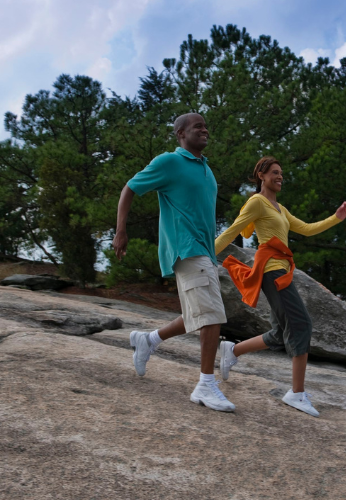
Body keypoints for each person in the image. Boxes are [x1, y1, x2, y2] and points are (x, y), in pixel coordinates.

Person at [112, 113, 235, 413]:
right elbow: (129, 187)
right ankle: (205, 384)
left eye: (207, 126)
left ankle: (148, 340)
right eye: (197, 127)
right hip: (186, 248)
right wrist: (121, 230)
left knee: (199, 313)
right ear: (180, 133)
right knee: (212, 316)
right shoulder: (169, 162)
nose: (205, 130)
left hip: (204, 251)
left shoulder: (206, 168)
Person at [214, 156, 346, 417]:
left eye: (282, 174)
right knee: (301, 325)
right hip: (271, 271)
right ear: (261, 176)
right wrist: (207, 253)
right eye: (275, 173)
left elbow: (308, 229)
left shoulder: (280, 209)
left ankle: (233, 349)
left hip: (283, 272)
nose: (280, 177)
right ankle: (296, 393)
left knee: (280, 332)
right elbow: (233, 230)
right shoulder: (257, 202)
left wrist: (336, 217)